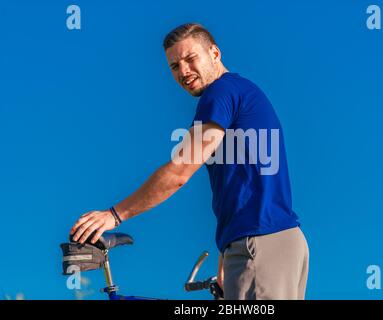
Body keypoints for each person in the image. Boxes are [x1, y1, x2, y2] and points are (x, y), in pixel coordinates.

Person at [70, 23, 309, 300]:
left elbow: (181, 171)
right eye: (174, 66)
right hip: (273, 243)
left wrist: (114, 214)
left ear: (214, 53)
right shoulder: (242, 92)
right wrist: (226, 257)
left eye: (190, 58)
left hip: (260, 244)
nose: (183, 71)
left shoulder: (220, 93)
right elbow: (246, 187)